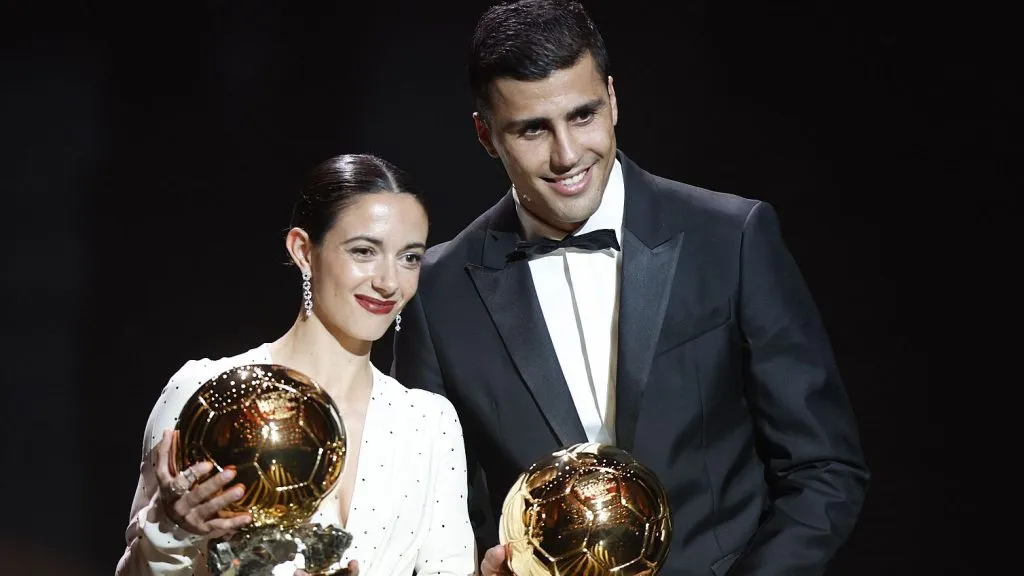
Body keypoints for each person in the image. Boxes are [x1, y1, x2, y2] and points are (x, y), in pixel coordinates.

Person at [391, 1, 871, 574]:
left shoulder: (733, 238)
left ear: (613, 99)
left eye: (583, 115)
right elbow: (427, 513)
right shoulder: (437, 292)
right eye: (532, 129)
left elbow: (825, 469)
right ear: (486, 136)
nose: (567, 155)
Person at [115, 154, 477, 576]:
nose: (388, 281)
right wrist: (172, 530)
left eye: (409, 258)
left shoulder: (427, 422)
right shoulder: (209, 391)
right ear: (304, 251)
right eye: (364, 251)